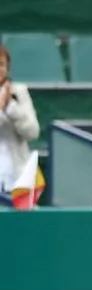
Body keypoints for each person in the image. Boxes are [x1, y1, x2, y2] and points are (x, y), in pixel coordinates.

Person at [0, 43, 41, 192]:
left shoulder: (19, 92)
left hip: (17, 180)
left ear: (7, 68)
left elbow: (32, 132)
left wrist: (11, 107)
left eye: (1, 64)